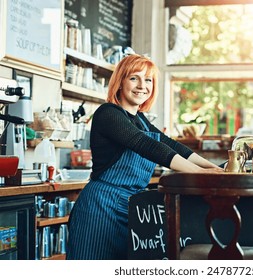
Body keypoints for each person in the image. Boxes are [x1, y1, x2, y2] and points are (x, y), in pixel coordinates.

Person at [66, 53, 223, 260]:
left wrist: (213, 169)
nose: (142, 85)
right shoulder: (108, 113)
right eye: (134, 78)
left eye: (147, 80)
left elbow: (170, 144)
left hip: (130, 207)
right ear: (120, 82)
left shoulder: (139, 119)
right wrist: (203, 174)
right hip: (100, 207)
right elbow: (146, 145)